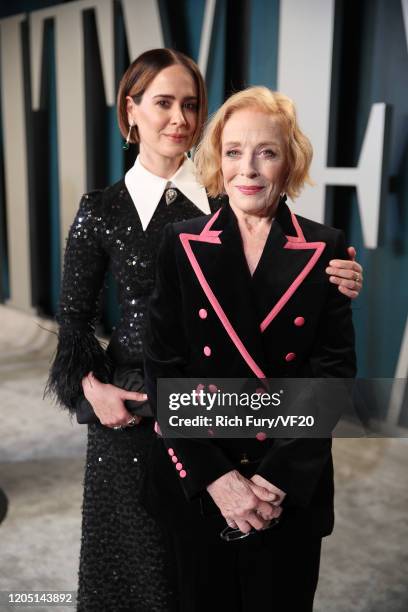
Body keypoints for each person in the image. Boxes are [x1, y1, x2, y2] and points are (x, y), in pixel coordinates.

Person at [47, 48, 362, 611]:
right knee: (143, 576)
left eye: (191, 104)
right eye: (163, 103)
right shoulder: (103, 209)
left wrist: (338, 276)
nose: (180, 119)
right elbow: (74, 322)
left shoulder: (231, 193)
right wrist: (89, 387)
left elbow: (311, 334)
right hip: (142, 412)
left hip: (236, 417)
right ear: (131, 110)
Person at [143, 86, 357, 612]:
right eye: (235, 151)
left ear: (290, 162)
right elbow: (161, 367)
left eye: (267, 152)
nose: (249, 168)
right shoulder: (181, 242)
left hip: (288, 481)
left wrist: (274, 478)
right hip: (200, 478)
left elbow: (331, 376)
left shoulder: (326, 248)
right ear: (218, 158)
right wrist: (218, 479)